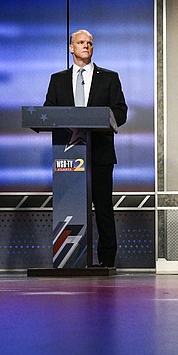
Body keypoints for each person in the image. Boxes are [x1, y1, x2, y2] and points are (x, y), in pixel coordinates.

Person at [44, 29, 128, 267]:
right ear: (71, 47)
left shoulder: (109, 78)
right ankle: (70, 259)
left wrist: (100, 119)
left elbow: (120, 112)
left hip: (100, 153)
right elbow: (47, 111)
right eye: (80, 42)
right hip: (68, 154)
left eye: (90, 43)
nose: (86, 46)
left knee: (103, 208)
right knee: (70, 205)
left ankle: (107, 261)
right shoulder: (57, 79)